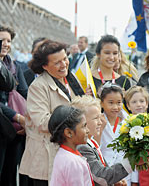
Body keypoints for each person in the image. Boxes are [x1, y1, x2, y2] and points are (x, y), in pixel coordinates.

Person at [19, 40, 85, 185]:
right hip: (47, 155)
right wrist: (74, 122)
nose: (63, 65)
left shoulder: (72, 79)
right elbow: (42, 122)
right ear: (45, 66)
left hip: (71, 153)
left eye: (65, 59)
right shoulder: (38, 87)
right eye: (57, 63)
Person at [72, 95, 133, 186]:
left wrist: (114, 182)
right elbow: (102, 176)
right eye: (96, 118)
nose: (100, 122)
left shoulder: (91, 142)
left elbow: (104, 171)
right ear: (81, 122)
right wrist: (131, 162)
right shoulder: (82, 147)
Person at [0, 25, 28, 186]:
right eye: (2, 40)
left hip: (16, 130)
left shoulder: (16, 67)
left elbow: (25, 95)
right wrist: (17, 116)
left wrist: (27, 120)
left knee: (11, 174)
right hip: (5, 124)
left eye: (8, 40)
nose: (5, 44)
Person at [48, 105, 94, 186]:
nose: (88, 131)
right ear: (69, 133)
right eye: (84, 126)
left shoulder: (64, 155)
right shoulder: (73, 162)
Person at [98, 83, 129, 185]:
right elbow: (95, 147)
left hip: (124, 173)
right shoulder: (98, 121)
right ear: (102, 103)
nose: (115, 107)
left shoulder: (128, 122)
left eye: (119, 102)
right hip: (104, 173)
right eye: (110, 103)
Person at [124, 86, 149, 186]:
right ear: (128, 106)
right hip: (132, 173)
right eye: (134, 102)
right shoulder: (126, 126)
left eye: (142, 101)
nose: (139, 105)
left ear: (147, 103)